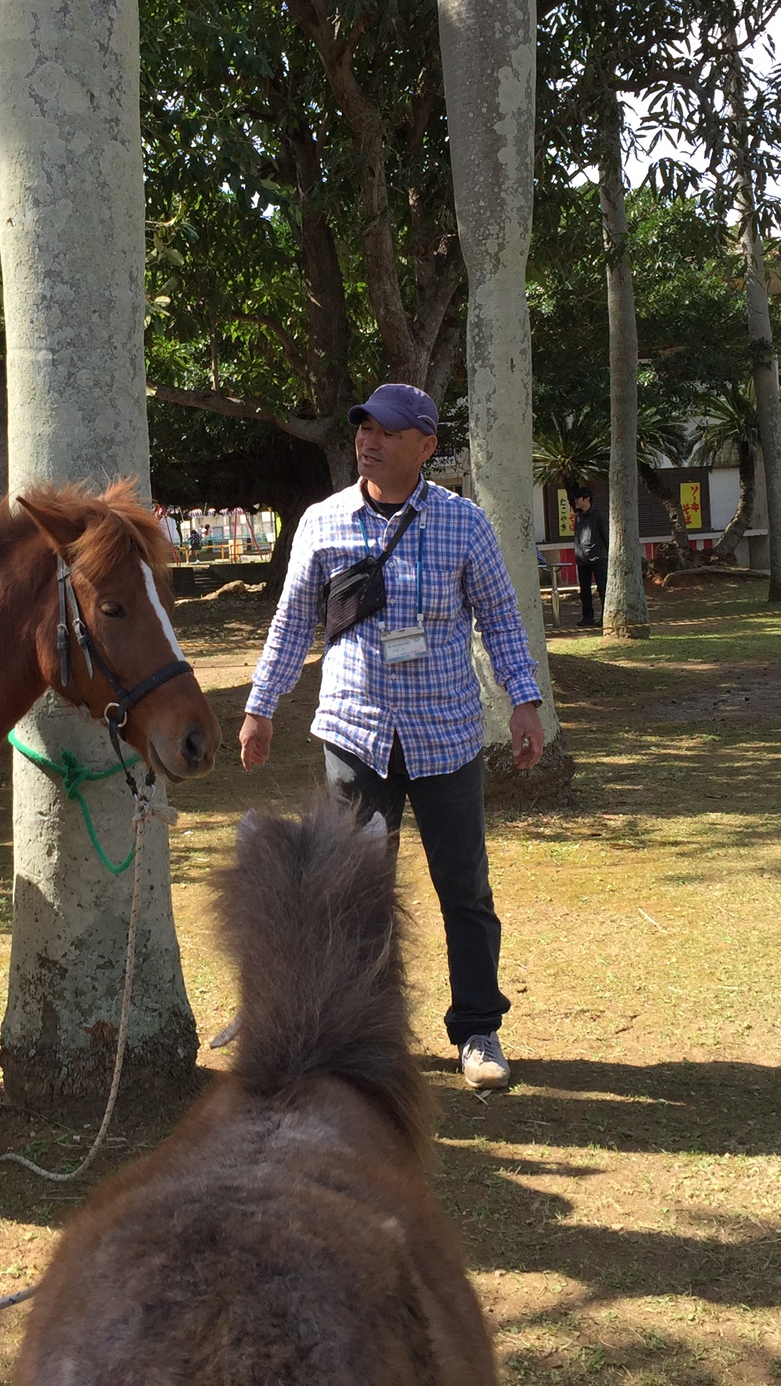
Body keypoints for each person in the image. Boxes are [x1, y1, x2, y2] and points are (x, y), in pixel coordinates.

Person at [239, 382, 548, 1090]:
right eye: (363, 429)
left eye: (386, 430)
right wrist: (261, 706)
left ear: (426, 445)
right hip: (354, 732)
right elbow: (291, 623)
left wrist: (524, 700)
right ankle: (363, 1037)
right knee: (350, 893)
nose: (367, 441)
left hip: (446, 735)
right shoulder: (322, 522)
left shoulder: (464, 525)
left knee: (463, 887)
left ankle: (478, 1031)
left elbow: (501, 618)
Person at [570, 487, 606, 627]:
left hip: (598, 558)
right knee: (584, 591)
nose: (575, 501)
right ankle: (587, 617)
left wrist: (607, 553)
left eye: (578, 498)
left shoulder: (598, 514)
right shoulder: (578, 516)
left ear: (587, 499)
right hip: (582, 559)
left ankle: (605, 616)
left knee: (602, 589)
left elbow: (605, 535)